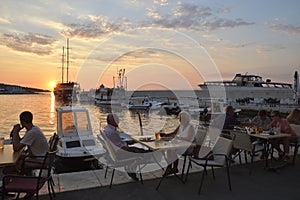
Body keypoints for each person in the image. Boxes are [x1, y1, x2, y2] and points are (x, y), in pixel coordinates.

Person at [102, 113, 150, 181]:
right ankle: (131, 168)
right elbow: (120, 148)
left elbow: (118, 143)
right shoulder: (111, 132)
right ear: (111, 121)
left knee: (140, 150)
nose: (118, 121)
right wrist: (133, 149)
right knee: (145, 153)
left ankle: (131, 167)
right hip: (120, 154)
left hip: (116, 152)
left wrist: (130, 142)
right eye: (116, 119)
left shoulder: (108, 129)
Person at [160, 111, 195, 175]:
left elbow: (188, 139)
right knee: (169, 149)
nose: (181, 119)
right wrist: (165, 135)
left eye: (183, 118)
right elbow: (173, 133)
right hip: (179, 145)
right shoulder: (180, 125)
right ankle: (171, 167)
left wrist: (178, 138)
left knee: (172, 150)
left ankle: (173, 168)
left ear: (187, 119)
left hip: (188, 147)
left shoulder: (191, 127)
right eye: (180, 118)